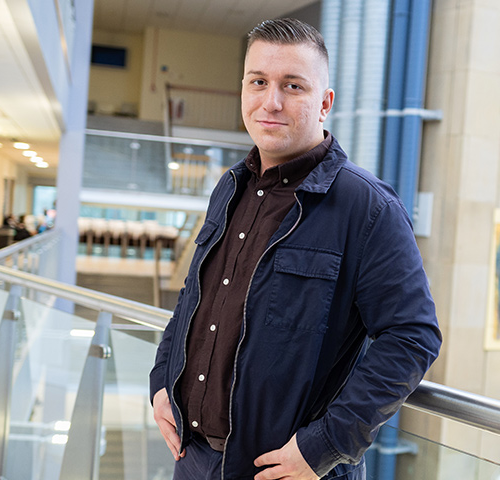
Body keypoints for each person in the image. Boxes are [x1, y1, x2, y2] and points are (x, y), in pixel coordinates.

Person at [150, 18, 441, 480]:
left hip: (286, 472)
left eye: (293, 86)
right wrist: (162, 382)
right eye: (258, 82)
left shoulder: (367, 208)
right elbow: (193, 297)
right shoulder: (230, 188)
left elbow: (412, 336)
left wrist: (324, 446)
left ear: (324, 103)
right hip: (193, 458)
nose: (272, 101)